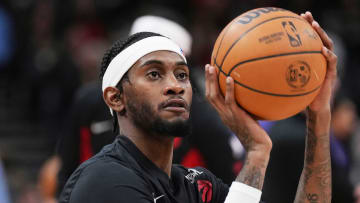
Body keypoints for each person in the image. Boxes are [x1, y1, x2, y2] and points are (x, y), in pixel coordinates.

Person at [59, 11, 337, 203]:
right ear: (115, 98)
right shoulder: (104, 181)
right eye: (154, 74)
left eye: (182, 75)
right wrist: (255, 155)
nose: (175, 85)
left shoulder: (197, 185)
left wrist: (318, 118)